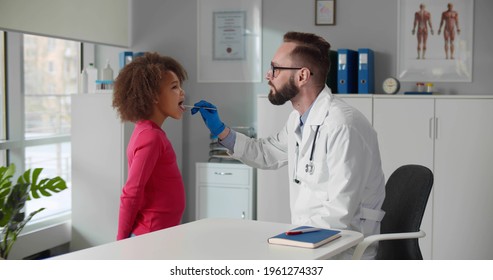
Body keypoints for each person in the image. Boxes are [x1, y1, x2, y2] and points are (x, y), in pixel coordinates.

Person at [192, 31, 386, 259]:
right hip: (312, 241)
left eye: (275, 68)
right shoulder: (299, 119)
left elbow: (339, 213)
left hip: (345, 250)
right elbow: (266, 153)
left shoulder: (343, 125)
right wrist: (221, 131)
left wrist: (288, 242)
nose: (268, 75)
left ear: (302, 76)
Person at [112, 52, 188, 240]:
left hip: (160, 234)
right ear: (153, 96)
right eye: (174, 87)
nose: (182, 92)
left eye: (180, 86)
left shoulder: (149, 132)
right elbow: (131, 192)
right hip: (151, 235)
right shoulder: (151, 138)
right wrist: (119, 243)